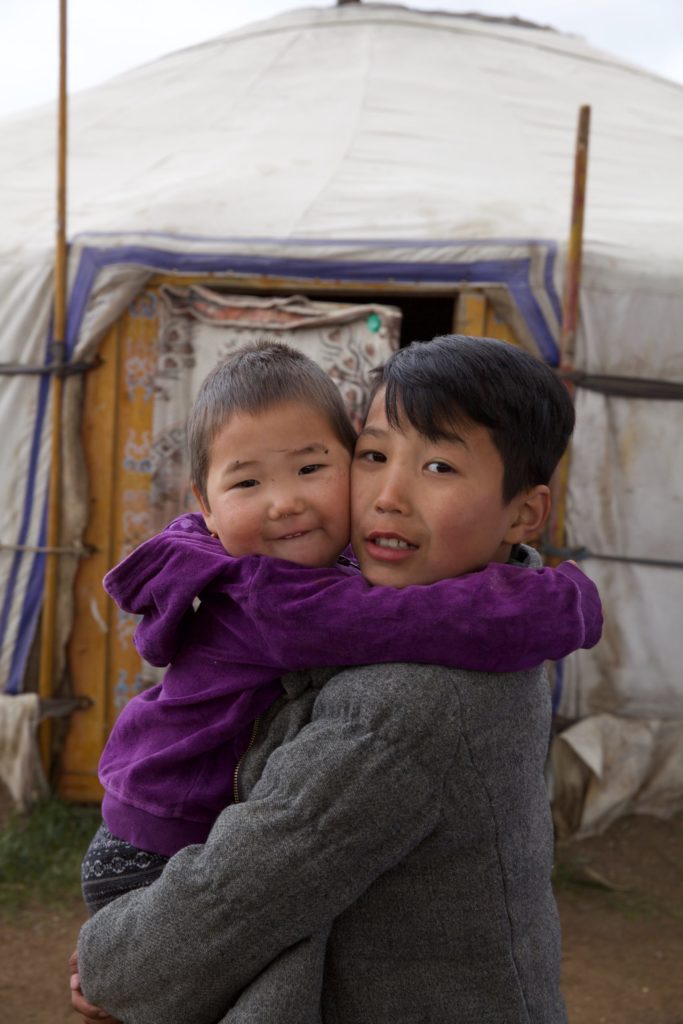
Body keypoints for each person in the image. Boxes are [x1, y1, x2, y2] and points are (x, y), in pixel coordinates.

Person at [73, 335, 596, 1023]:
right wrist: (557, 599)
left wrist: (114, 965)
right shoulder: (476, 622)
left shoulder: (409, 705)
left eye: (438, 465)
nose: (387, 496)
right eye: (375, 455)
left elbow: (237, 898)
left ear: (524, 512)